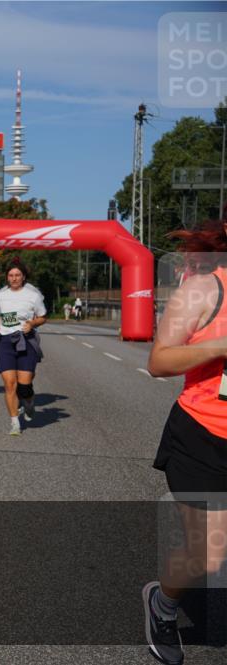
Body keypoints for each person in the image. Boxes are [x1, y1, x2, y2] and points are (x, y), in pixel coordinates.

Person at [142, 217, 227, 665]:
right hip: (204, 436)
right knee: (208, 556)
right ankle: (163, 604)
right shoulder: (204, 288)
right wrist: (221, 345)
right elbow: (159, 360)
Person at [0, 260, 47, 436]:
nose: (14, 279)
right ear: (7, 277)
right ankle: (15, 422)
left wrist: (32, 323)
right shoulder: (1, 295)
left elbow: (43, 316)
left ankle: (28, 402)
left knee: (24, 386)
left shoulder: (33, 295)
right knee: (9, 384)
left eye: (17, 275)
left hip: (25, 340)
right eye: (11, 276)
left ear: (23, 277)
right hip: (5, 342)